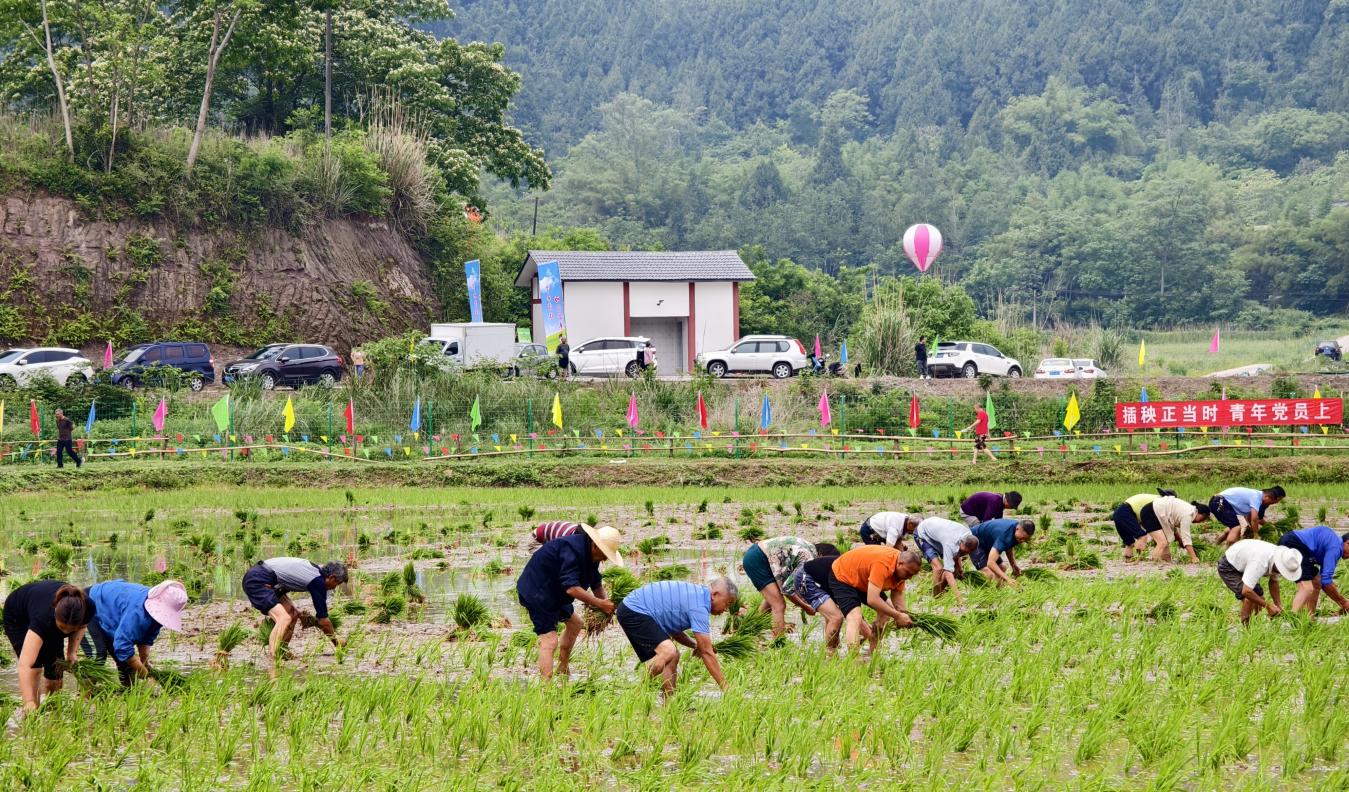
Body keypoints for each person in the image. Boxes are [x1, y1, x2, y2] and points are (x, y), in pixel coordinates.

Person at [515, 524, 623, 681]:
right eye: (605, 553)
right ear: (595, 545)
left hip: (554, 591)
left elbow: (596, 582)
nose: (606, 558)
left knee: (575, 624)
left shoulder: (593, 554)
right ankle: (546, 689)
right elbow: (572, 588)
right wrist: (599, 604)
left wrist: (606, 605)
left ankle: (563, 669)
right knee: (549, 640)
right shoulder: (571, 549)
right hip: (537, 591)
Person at [617, 578, 736, 696]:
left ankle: (668, 705)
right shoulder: (699, 606)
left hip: (635, 609)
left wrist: (695, 645)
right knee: (668, 651)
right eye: (728, 603)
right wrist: (726, 688)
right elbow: (707, 653)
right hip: (633, 610)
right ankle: (637, 694)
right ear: (714, 594)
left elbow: (675, 631)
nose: (726, 609)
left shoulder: (698, 596)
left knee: (673, 656)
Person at [242, 557, 348, 670]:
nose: (334, 588)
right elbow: (323, 621)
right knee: (283, 618)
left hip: (267, 578)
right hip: (258, 580)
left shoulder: (316, 573)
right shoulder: (318, 582)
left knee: (293, 614)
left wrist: (310, 620)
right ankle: (272, 659)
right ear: (331, 577)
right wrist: (337, 644)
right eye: (337, 584)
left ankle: (282, 651)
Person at [3, 581, 94, 712]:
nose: (66, 633)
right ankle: (32, 713)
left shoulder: (87, 607)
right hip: (18, 616)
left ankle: (54, 715)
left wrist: (71, 652)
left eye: (71, 629)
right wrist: (29, 701)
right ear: (55, 611)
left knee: (56, 670)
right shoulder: (43, 619)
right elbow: (25, 665)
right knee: (35, 667)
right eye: (63, 628)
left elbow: (82, 626)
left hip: (49, 618)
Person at [86, 580, 187, 684]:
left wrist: (144, 661)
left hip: (112, 615)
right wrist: (142, 671)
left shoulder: (156, 617)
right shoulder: (137, 612)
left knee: (126, 664)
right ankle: (86, 696)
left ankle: (127, 694)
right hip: (89, 604)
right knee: (98, 656)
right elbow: (122, 646)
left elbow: (147, 637)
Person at [824, 546, 921, 655]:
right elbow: (872, 599)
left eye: (912, 575)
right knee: (855, 616)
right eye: (908, 573)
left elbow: (897, 595)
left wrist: (904, 615)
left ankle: (873, 653)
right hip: (844, 574)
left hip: (866, 579)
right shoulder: (883, 564)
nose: (909, 578)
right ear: (900, 564)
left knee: (886, 613)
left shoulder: (902, 571)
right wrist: (897, 616)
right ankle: (853, 659)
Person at [740, 536, 816, 637]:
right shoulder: (809, 559)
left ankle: (751, 631)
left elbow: (792, 582)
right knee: (779, 605)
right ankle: (778, 644)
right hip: (758, 559)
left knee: (773, 598)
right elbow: (786, 590)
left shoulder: (810, 549)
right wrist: (805, 607)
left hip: (760, 556)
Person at [1218, 540, 1302, 625]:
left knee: (1259, 596)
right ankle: (1247, 630)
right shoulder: (1260, 562)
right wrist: (1269, 606)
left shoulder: (1282, 559)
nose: (1282, 573)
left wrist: (1278, 605)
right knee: (1248, 599)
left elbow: (1274, 582)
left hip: (1245, 561)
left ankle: (1255, 623)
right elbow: (1246, 591)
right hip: (1229, 566)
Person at [1275, 526, 1349, 615]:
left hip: (1292, 541)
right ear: (1347, 543)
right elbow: (1326, 582)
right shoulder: (1335, 548)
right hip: (1295, 544)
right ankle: (1294, 619)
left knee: (1316, 581)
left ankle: (1310, 618)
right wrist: (1343, 602)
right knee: (1307, 588)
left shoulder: (1333, 542)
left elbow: (1323, 579)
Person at [914, 517, 980, 603]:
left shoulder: (968, 534)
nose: (964, 554)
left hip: (937, 533)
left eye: (968, 552)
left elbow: (957, 554)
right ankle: (936, 596)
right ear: (961, 542)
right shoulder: (950, 543)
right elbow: (948, 572)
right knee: (938, 568)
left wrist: (960, 568)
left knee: (955, 570)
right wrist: (959, 598)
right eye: (964, 551)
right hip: (923, 534)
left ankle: (941, 589)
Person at [795, 544, 846, 650]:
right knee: (836, 617)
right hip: (803, 578)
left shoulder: (830, 572)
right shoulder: (808, 563)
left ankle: (832, 646)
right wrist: (804, 606)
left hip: (816, 580)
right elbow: (786, 589)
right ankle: (830, 654)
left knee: (834, 615)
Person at [968, 518, 1036, 586]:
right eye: (1022, 538)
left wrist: (1014, 565)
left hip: (988, 542)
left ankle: (999, 591)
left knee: (1002, 567)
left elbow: (1008, 546)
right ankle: (987, 592)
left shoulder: (1017, 532)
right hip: (975, 540)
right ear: (1017, 528)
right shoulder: (1004, 534)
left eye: (1026, 539)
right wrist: (1008, 579)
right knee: (988, 573)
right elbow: (990, 563)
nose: (1022, 541)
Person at [1209, 486, 1285, 545]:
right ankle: (1229, 551)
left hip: (1221, 503)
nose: (1274, 503)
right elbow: (1254, 519)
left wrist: (1252, 530)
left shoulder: (1258, 497)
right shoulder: (1256, 497)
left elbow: (1250, 518)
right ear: (1267, 497)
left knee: (1235, 528)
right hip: (1219, 502)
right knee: (1236, 527)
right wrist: (1256, 534)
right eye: (1274, 501)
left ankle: (1223, 546)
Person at [1148, 496, 1211, 564]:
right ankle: (1153, 565)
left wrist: (1180, 541)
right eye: (1203, 519)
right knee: (1162, 543)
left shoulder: (1189, 510)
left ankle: (1165, 561)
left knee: (1165, 541)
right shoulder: (1188, 514)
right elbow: (1186, 537)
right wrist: (1194, 557)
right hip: (1152, 512)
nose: (1201, 522)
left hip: (1155, 511)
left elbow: (1174, 529)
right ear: (1202, 515)